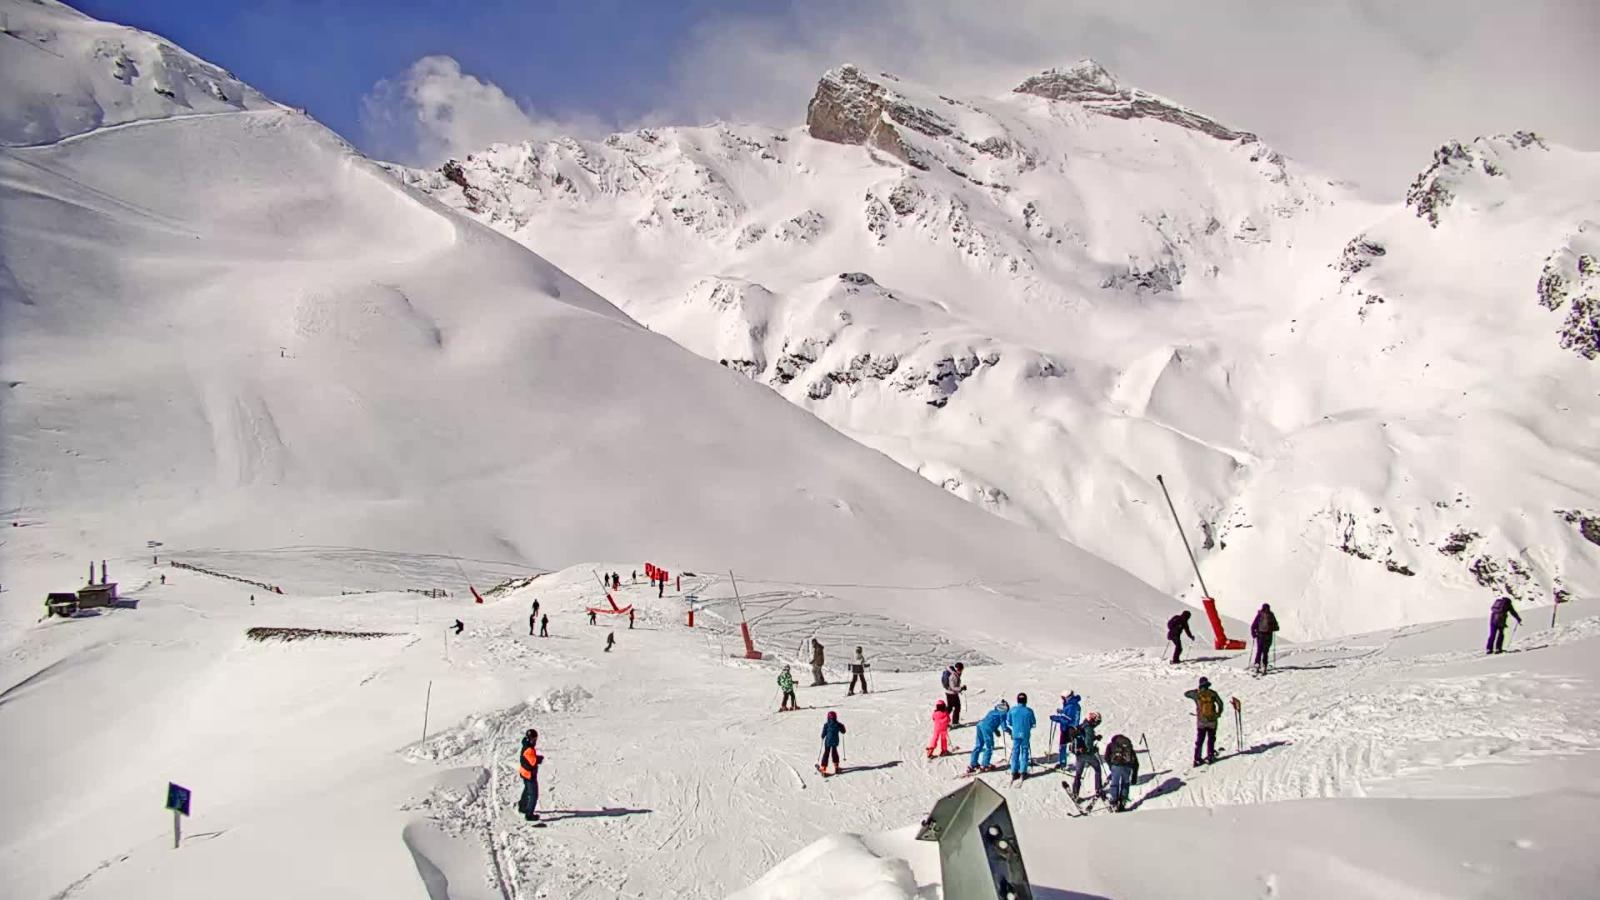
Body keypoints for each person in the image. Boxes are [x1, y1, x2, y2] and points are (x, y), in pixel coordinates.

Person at [1184, 677, 1223, 766]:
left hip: (1201, 721)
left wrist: (1195, 690)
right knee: (1211, 739)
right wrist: (1218, 713)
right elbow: (1220, 703)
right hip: (1212, 721)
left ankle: (1197, 759)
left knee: (1200, 740)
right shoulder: (1213, 693)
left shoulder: (1197, 694)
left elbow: (1186, 694)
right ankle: (1210, 756)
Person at [967, 700, 1011, 774]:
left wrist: (995, 730)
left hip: (980, 725)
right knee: (989, 746)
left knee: (979, 744)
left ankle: (973, 763)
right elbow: (1004, 727)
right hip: (987, 728)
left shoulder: (992, 711)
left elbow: (990, 720)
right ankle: (985, 764)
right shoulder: (1003, 714)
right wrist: (1010, 732)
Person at [1069, 711, 1103, 800]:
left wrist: (1095, 738)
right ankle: (1098, 789)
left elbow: (1084, 737)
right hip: (1087, 754)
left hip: (1079, 754)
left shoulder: (1083, 725)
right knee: (1097, 768)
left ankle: (1075, 793)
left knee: (1078, 774)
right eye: (1097, 722)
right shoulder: (1089, 729)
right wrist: (1094, 749)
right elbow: (1088, 745)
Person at [1104, 733, 1140, 812]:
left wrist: (1111, 766)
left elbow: (1106, 756)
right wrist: (1134, 776)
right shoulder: (1128, 745)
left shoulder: (1111, 744)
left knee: (1115, 783)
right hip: (1127, 767)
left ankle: (1114, 802)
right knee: (1125, 784)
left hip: (1116, 766)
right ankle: (1123, 802)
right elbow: (1135, 761)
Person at [1006, 692, 1037, 782]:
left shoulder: (1012, 710)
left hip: (1015, 733)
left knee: (1015, 751)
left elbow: (1009, 721)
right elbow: (1033, 723)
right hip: (1025, 734)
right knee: (1024, 751)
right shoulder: (1029, 711)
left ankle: (1014, 771)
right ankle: (1023, 771)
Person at [1050, 691, 1082, 769]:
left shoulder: (1071, 706)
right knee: (1072, 746)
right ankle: (1075, 763)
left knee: (1063, 746)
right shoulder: (1074, 704)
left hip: (1067, 729)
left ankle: (1063, 763)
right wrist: (1062, 711)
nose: (1062, 700)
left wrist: (1055, 718)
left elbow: (1066, 719)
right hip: (1073, 728)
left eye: (1063, 698)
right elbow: (1068, 714)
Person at [517, 729, 541, 821]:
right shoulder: (529, 749)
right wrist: (538, 759)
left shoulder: (526, 745)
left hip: (524, 773)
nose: (535, 741)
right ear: (529, 739)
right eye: (534, 739)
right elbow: (533, 762)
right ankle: (529, 815)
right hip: (529, 775)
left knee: (527, 790)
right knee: (533, 795)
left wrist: (536, 758)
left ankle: (522, 807)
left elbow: (528, 758)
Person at [1251, 603, 1279, 674]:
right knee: (1265, 652)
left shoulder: (1259, 615)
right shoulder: (1271, 615)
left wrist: (1254, 634)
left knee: (1259, 651)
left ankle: (1257, 665)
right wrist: (1273, 628)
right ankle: (1264, 665)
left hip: (1260, 636)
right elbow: (1276, 627)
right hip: (1268, 636)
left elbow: (1253, 626)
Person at [818, 711, 846, 775]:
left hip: (828, 742)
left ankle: (823, 767)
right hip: (835, 741)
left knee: (826, 753)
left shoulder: (827, 724)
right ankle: (836, 766)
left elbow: (823, 734)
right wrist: (842, 727)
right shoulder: (838, 724)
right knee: (834, 752)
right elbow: (843, 731)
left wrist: (822, 736)